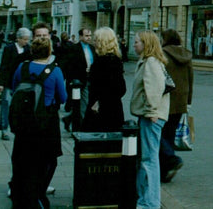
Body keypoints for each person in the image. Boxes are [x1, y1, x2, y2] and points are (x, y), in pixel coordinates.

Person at [10, 36, 67, 209]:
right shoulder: (55, 71)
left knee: (22, 159)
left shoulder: (22, 67)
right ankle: (39, 194)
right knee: (48, 160)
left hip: (24, 124)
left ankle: (21, 194)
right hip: (46, 123)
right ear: (49, 51)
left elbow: (14, 89)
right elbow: (63, 98)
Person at [130, 31, 170, 209]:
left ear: (146, 44)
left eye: (137, 42)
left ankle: (150, 202)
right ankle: (145, 199)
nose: (134, 45)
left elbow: (154, 88)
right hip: (147, 115)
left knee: (149, 160)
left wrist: (152, 110)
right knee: (147, 158)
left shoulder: (151, 62)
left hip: (151, 116)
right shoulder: (147, 61)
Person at [159, 28, 193, 183]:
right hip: (181, 101)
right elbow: (190, 78)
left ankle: (172, 159)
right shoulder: (186, 54)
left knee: (159, 134)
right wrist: (189, 101)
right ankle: (165, 171)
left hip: (166, 100)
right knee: (170, 134)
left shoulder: (163, 54)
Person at [81, 27, 126, 132]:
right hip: (113, 110)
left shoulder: (102, 62)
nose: (94, 42)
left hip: (100, 111)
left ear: (102, 42)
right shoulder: (116, 60)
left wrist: (99, 102)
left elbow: (117, 88)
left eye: (96, 40)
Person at [0, 27, 32, 140]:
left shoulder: (28, 49)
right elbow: (4, 66)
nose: (26, 41)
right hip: (8, 81)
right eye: (25, 39)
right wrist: (1, 82)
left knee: (19, 107)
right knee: (6, 105)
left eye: (28, 39)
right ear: (18, 38)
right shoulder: (9, 48)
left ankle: (18, 128)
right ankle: (4, 129)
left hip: (21, 83)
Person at [62, 28, 95, 131]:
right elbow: (69, 65)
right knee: (83, 104)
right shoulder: (74, 48)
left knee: (83, 103)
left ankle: (68, 119)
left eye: (90, 35)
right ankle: (81, 127)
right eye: (86, 36)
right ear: (80, 37)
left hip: (91, 78)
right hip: (79, 80)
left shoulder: (92, 48)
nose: (89, 38)